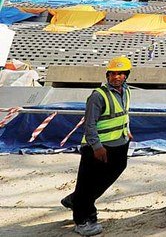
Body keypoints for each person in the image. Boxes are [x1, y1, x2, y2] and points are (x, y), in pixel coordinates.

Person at [60, 56, 134, 236]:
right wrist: (97, 146)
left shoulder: (126, 91)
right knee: (87, 184)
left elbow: (123, 113)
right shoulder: (97, 96)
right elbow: (89, 125)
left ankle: (76, 200)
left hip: (119, 143)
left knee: (113, 172)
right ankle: (83, 220)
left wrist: (127, 130)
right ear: (108, 75)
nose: (116, 77)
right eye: (113, 74)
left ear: (126, 76)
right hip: (99, 148)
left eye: (120, 74)